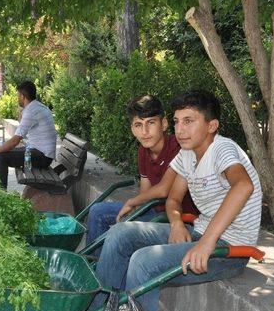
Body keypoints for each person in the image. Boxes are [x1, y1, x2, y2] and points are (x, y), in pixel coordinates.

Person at [95, 90, 263, 311]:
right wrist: (176, 223)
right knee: (119, 233)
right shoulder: (187, 153)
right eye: (176, 122)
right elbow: (172, 198)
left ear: (211, 126)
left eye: (189, 121)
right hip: (199, 233)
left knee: (144, 261)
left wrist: (206, 244)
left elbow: (243, 186)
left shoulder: (222, 148)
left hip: (229, 251)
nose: (180, 130)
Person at [85, 95, 199, 252]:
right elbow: (145, 192)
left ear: (164, 124)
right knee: (98, 211)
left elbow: (164, 189)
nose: (144, 131)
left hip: (177, 219)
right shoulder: (143, 152)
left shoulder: (178, 147)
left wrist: (132, 202)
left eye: (150, 123)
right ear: (132, 129)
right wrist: (135, 209)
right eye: (138, 125)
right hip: (155, 211)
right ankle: (93, 261)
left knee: (122, 229)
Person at [0, 81, 57, 190]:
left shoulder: (31, 111)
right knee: (4, 152)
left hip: (42, 157)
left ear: (23, 96)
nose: (17, 98)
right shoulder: (38, 107)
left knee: (1, 157)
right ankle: (0, 191)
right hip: (42, 153)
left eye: (18, 95)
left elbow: (14, 141)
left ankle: (0, 194)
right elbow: (20, 131)